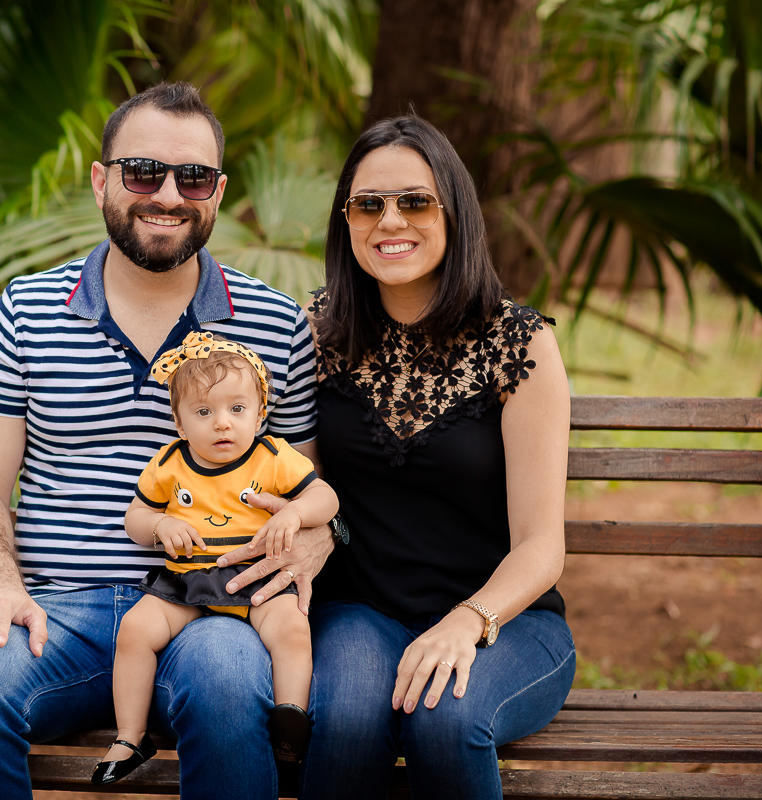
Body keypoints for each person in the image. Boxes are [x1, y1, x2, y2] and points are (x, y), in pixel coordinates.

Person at [0, 82, 333, 800]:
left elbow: (308, 488)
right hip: (56, 610)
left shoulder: (274, 322)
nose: (168, 194)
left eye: (193, 177)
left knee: (231, 681)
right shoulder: (25, 313)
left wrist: (308, 541)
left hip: (213, 606)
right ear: (101, 179)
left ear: (219, 191)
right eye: (144, 172)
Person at [217, 114, 576, 798]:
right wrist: (320, 525)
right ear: (345, 220)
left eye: (415, 201)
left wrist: (466, 624)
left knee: (445, 715)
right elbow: (311, 487)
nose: (390, 221)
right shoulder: (317, 332)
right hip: (361, 609)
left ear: (454, 212)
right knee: (346, 718)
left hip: (508, 620)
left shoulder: (519, 344)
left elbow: (541, 545)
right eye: (368, 204)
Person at [93, 332, 340, 784]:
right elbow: (137, 515)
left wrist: (299, 514)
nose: (222, 424)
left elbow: (325, 496)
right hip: (187, 584)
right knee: (134, 629)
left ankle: (291, 722)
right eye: (204, 412)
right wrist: (159, 526)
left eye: (237, 409)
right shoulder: (170, 462)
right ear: (180, 423)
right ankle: (130, 736)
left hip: (259, 580)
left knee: (291, 628)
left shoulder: (273, 457)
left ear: (261, 413)